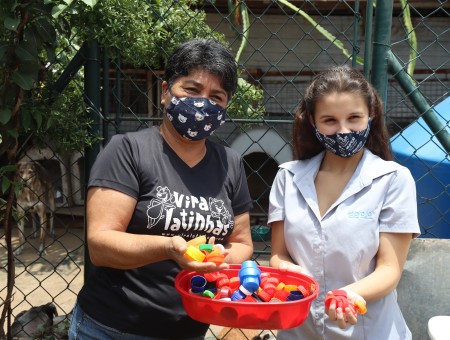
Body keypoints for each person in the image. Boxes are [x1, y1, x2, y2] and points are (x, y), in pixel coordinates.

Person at [69, 38, 254, 340]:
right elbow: (100, 246)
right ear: (166, 91)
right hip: (113, 328)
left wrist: (216, 258)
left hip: (190, 330)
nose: (202, 103)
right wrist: (170, 248)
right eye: (191, 90)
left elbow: (243, 242)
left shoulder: (230, 163)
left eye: (216, 96)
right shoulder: (128, 150)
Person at [268, 65, 420, 339]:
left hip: (368, 329)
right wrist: (290, 271)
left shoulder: (393, 180)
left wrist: (347, 295)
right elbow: (279, 254)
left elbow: (390, 269)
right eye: (329, 120)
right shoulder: (288, 177)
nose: (343, 130)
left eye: (354, 118)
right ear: (312, 121)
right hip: (298, 330)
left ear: (370, 116)